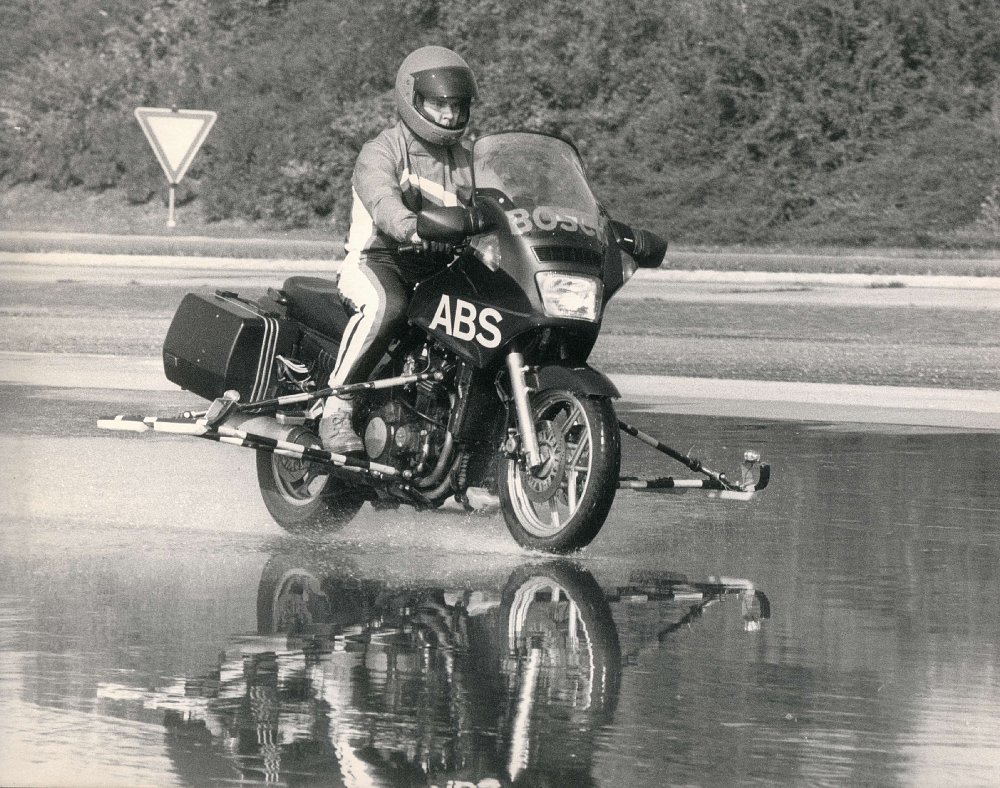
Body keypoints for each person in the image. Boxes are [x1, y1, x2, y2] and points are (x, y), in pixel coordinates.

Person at [319, 46, 478, 453]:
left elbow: (506, 201)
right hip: (379, 261)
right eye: (439, 104)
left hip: (441, 269)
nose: (449, 115)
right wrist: (409, 227)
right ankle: (336, 407)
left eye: (457, 106)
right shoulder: (382, 150)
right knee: (386, 306)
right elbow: (382, 200)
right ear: (412, 99)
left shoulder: (470, 161)